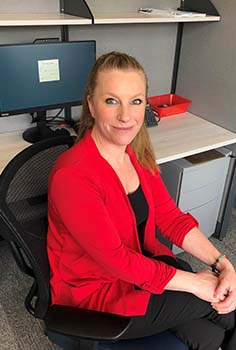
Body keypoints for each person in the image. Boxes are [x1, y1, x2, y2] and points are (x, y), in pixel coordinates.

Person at [47, 51, 236, 350]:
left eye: (135, 101)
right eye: (112, 101)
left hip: (141, 270)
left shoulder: (132, 154)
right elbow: (119, 262)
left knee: (209, 334)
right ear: (91, 105)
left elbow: (170, 218)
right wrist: (198, 283)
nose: (126, 116)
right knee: (222, 305)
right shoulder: (73, 176)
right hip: (99, 294)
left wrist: (221, 262)